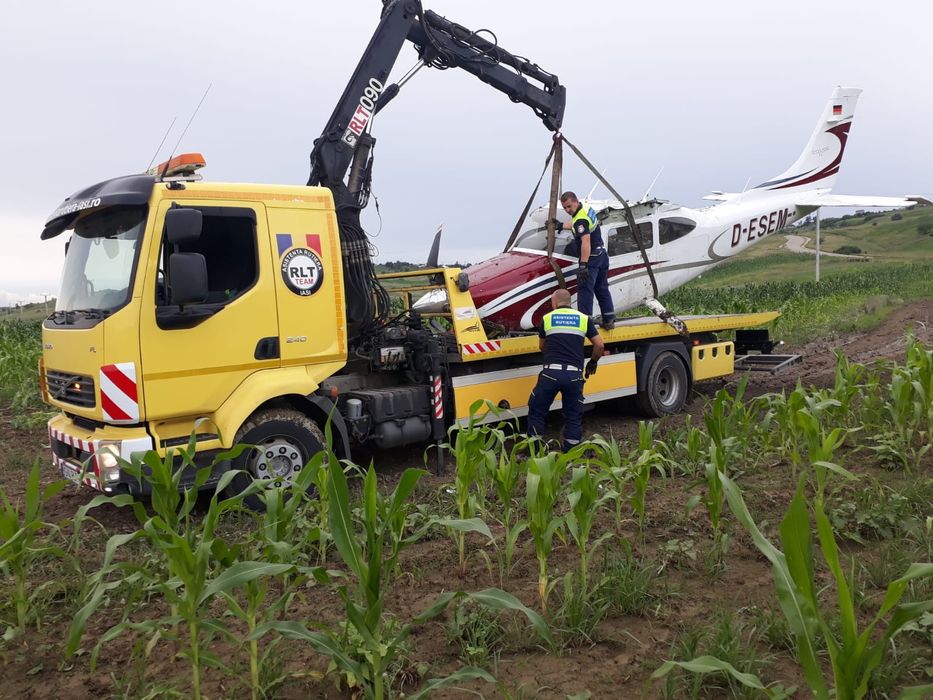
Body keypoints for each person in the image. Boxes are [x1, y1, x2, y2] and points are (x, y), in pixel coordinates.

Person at [527, 289, 605, 451]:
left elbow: (542, 346)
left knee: (537, 410)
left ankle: (535, 449)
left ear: (554, 302)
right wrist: (593, 362)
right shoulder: (584, 319)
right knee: (573, 415)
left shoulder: (547, 319)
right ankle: (571, 450)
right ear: (570, 302)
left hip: (551, 374)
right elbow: (599, 345)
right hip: (574, 376)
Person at [551, 191, 615, 330]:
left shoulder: (580, 219)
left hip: (591, 257)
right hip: (602, 254)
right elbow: (577, 224)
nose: (568, 210)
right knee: (601, 287)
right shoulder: (585, 207)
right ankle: (609, 319)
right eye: (565, 208)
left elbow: (585, 241)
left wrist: (583, 265)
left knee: (585, 289)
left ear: (575, 201)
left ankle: (585, 323)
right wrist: (561, 226)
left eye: (569, 206)